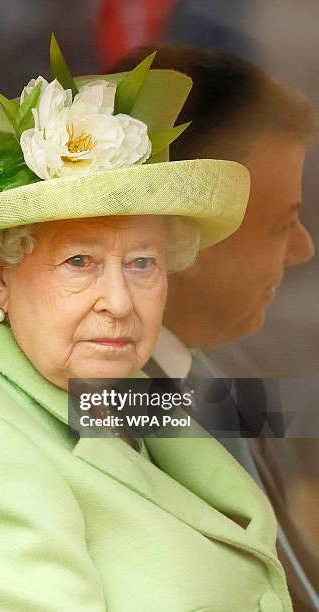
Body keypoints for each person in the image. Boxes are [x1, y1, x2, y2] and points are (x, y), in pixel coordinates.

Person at [0, 38, 292, 612]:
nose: (120, 301)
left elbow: (266, 419)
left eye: (142, 263)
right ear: (0, 277)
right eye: (79, 262)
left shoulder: (110, 384)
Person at [111, 45, 318, 610]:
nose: (304, 248)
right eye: (283, 224)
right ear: (189, 236)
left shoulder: (185, 371)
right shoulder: (116, 414)